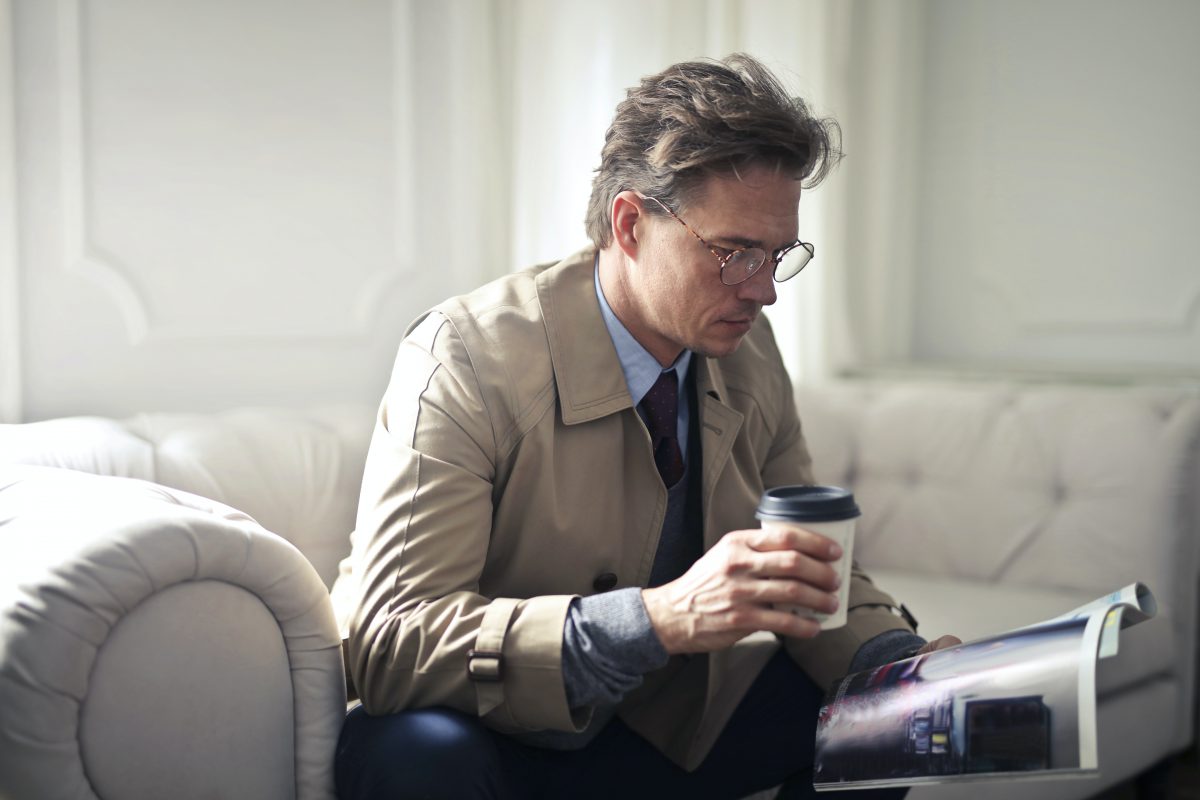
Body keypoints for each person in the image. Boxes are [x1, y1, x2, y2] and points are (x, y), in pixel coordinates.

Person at [331, 53, 959, 799]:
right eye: (734, 253)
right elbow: (388, 642)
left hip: (663, 730)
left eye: (777, 255)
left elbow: (809, 569)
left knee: (883, 718)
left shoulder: (748, 348)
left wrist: (901, 661)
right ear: (630, 223)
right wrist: (655, 620)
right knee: (415, 753)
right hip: (498, 735)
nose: (763, 291)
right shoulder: (465, 356)